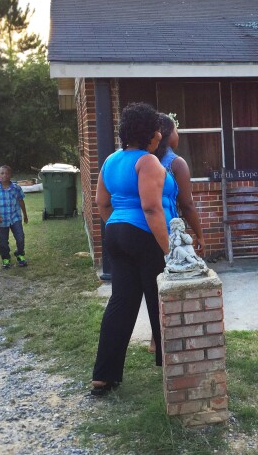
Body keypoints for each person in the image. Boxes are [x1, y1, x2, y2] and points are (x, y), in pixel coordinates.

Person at [90, 102, 170, 397]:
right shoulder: (148, 162)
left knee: (121, 303)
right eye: (157, 128)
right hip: (143, 234)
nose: (160, 134)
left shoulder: (110, 160)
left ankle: (103, 377)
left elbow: (101, 202)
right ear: (149, 131)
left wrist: (118, 225)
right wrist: (169, 250)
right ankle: (170, 365)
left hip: (114, 233)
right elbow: (151, 208)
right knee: (160, 299)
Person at [149, 114, 207, 352]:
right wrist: (200, 234)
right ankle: (168, 337)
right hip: (170, 228)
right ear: (168, 134)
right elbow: (187, 204)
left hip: (147, 226)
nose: (178, 134)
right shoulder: (176, 163)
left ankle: (155, 339)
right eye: (176, 129)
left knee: (152, 283)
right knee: (171, 281)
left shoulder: (145, 159)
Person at [0, 165, 29, 268]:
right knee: (3, 241)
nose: (5, 175)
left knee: (20, 238)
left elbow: (21, 201)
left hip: (15, 218)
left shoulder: (16, 188)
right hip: (2, 220)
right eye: (2, 173)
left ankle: (20, 254)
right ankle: (6, 258)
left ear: (10, 175)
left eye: (7, 173)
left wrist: (25, 215)